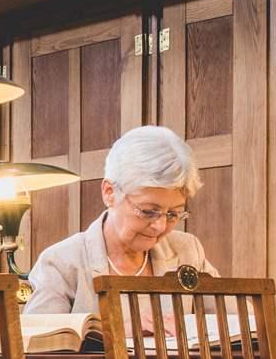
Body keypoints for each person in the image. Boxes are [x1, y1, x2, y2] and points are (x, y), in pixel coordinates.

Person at [25, 125, 216, 315]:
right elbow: (37, 339)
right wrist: (114, 331)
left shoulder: (187, 250)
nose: (160, 226)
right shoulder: (61, 262)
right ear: (109, 193)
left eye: (173, 214)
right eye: (149, 212)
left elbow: (238, 324)